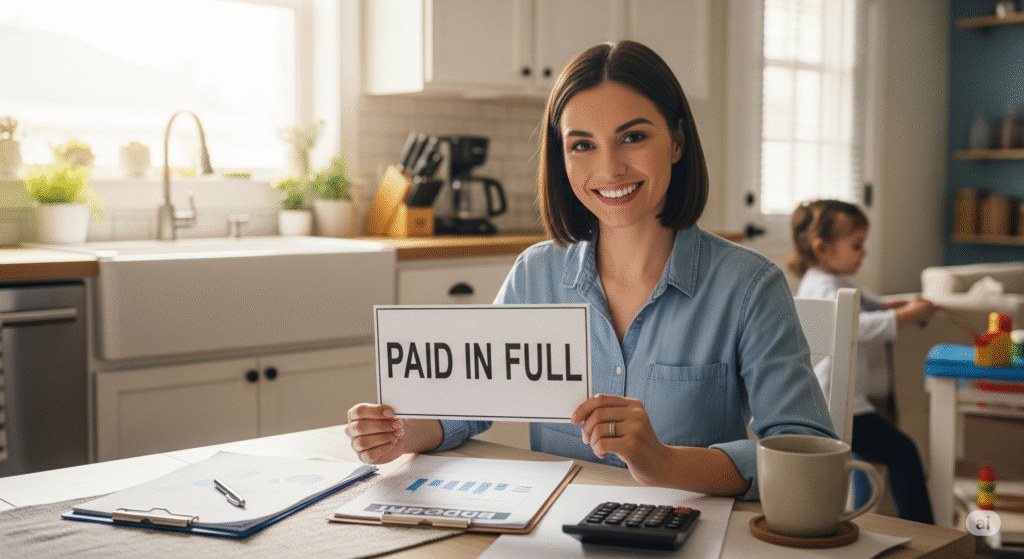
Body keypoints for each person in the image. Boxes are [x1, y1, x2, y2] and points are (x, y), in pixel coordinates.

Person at [347, 40, 836, 501]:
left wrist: (663, 462)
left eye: (633, 137)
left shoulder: (750, 288)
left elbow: (804, 452)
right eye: (582, 145)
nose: (610, 169)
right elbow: (472, 401)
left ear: (678, 141)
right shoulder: (534, 275)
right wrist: (405, 432)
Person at [790, 199, 936, 523]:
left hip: (839, 401)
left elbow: (871, 305)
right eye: (856, 245)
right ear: (823, 248)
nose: (863, 252)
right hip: (836, 404)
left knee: (861, 453)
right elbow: (857, 325)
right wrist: (905, 316)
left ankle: (859, 515)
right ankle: (926, 530)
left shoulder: (833, 281)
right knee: (903, 453)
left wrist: (899, 306)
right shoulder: (823, 287)